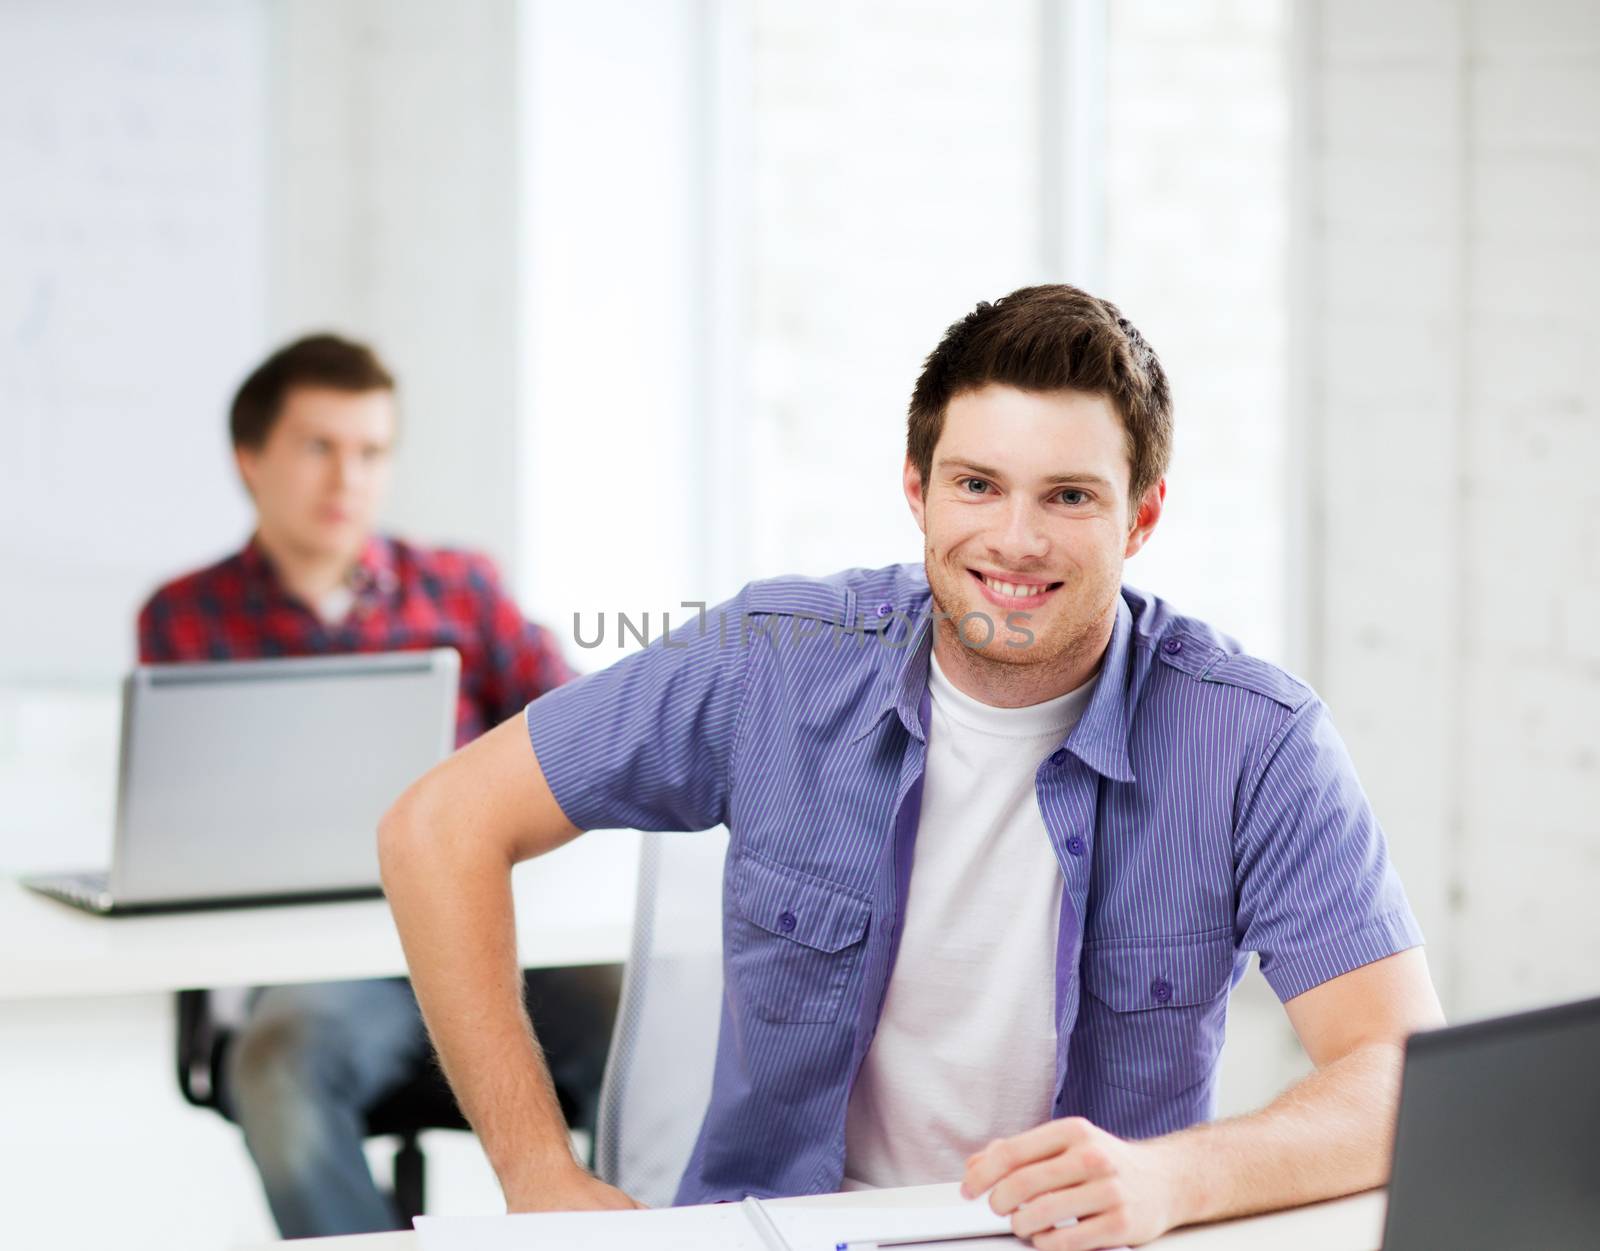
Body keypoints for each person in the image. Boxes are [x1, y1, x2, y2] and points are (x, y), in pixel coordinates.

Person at [378, 286, 1445, 1250]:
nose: (1015, 540)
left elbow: (1396, 1074)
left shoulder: (1253, 740)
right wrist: (535, 1172)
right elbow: (438, 828)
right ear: (916, 490)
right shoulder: (773, 658)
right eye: (977, 485)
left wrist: (1171, 1178)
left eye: (1068, 496)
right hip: (786, 1234)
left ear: (1143, 513)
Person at [138, 334, 619, 1240]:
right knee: (277, 1066)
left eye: (371, 451)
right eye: (318, 447)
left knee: (654, 1031)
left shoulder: (461, 586)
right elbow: (184, 823)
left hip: (498, 933)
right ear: (251, 459)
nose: (346, 478)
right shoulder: (185, 614)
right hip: (331, 966)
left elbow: (587, 730)